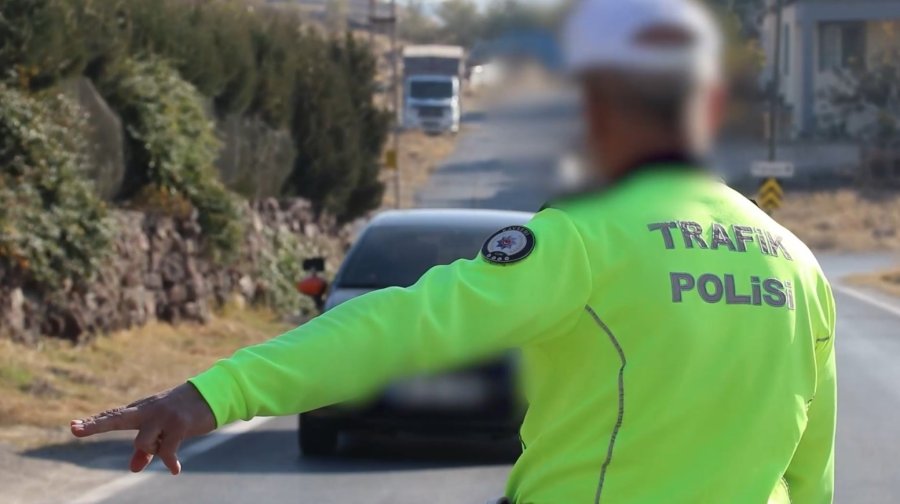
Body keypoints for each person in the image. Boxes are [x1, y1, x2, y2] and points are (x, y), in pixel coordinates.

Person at [71, 0, 837, 502]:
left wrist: (211, 394)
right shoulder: (800, 267)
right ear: (707, 107)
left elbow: (401, 325)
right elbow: (810, 473)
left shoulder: (585, 237)